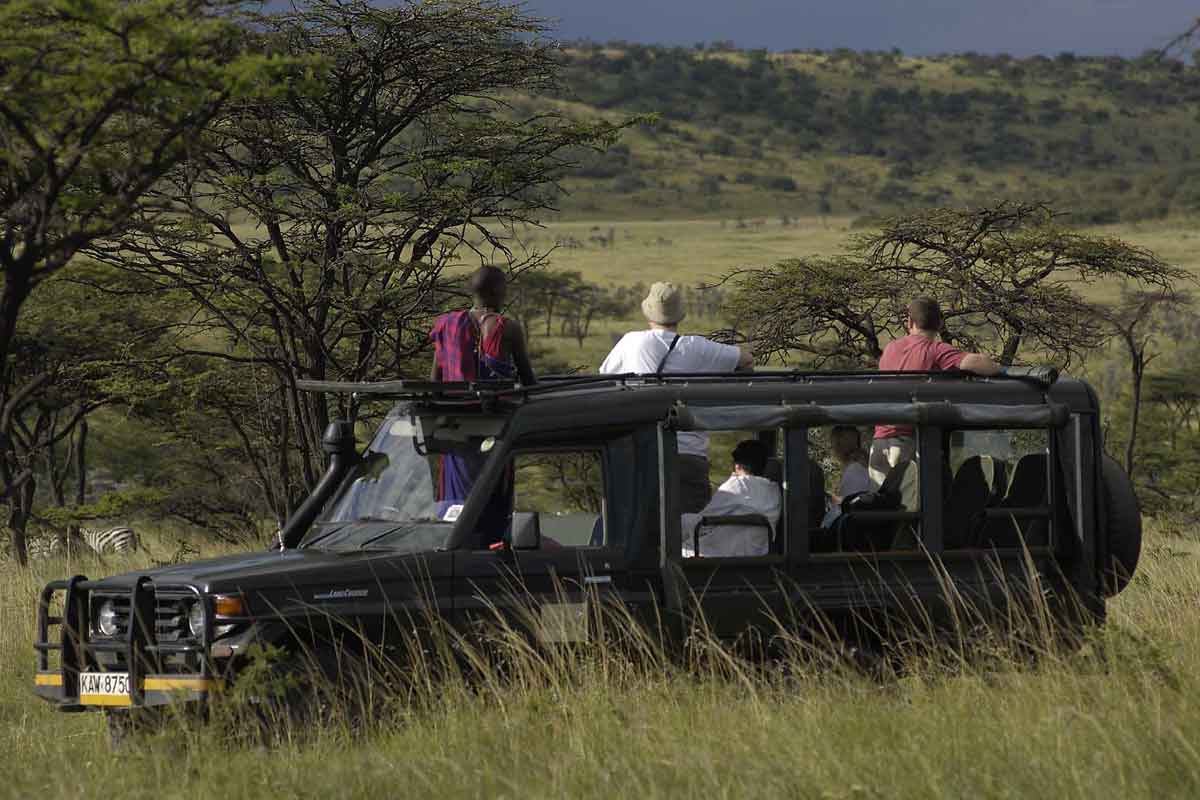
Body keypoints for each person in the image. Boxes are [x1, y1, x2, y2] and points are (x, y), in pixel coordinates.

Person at [600, 281, 753, 513]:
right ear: (679, 315)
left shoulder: (631, 342)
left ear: (649, 312)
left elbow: (605, 378)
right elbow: (746, 359)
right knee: (689, 536)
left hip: (640, 452)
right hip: (688, 455)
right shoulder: (696, 347)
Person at [429, 265, 534, 546]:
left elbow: (435, 382)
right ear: (498, 291)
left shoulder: (446, 326)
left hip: (456, 436)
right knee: (492, 504)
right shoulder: (506, 327)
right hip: (496, 432)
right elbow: (529, 382)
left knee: (456, 506)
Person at [869, 297, 1000, 500]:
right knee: (916, 511)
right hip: (912, 441)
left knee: (879, 510)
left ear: (909, 322)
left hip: (880, 442)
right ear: (939, 324)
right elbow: (984, 366)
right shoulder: (936, 349)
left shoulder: (891, 348)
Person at [682, 440, 781, 558]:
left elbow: (704, 522)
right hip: (757, 555)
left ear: (737, 465)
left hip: (717, 554)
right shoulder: (774, 491)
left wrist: (680, 522)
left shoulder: (736, 484)